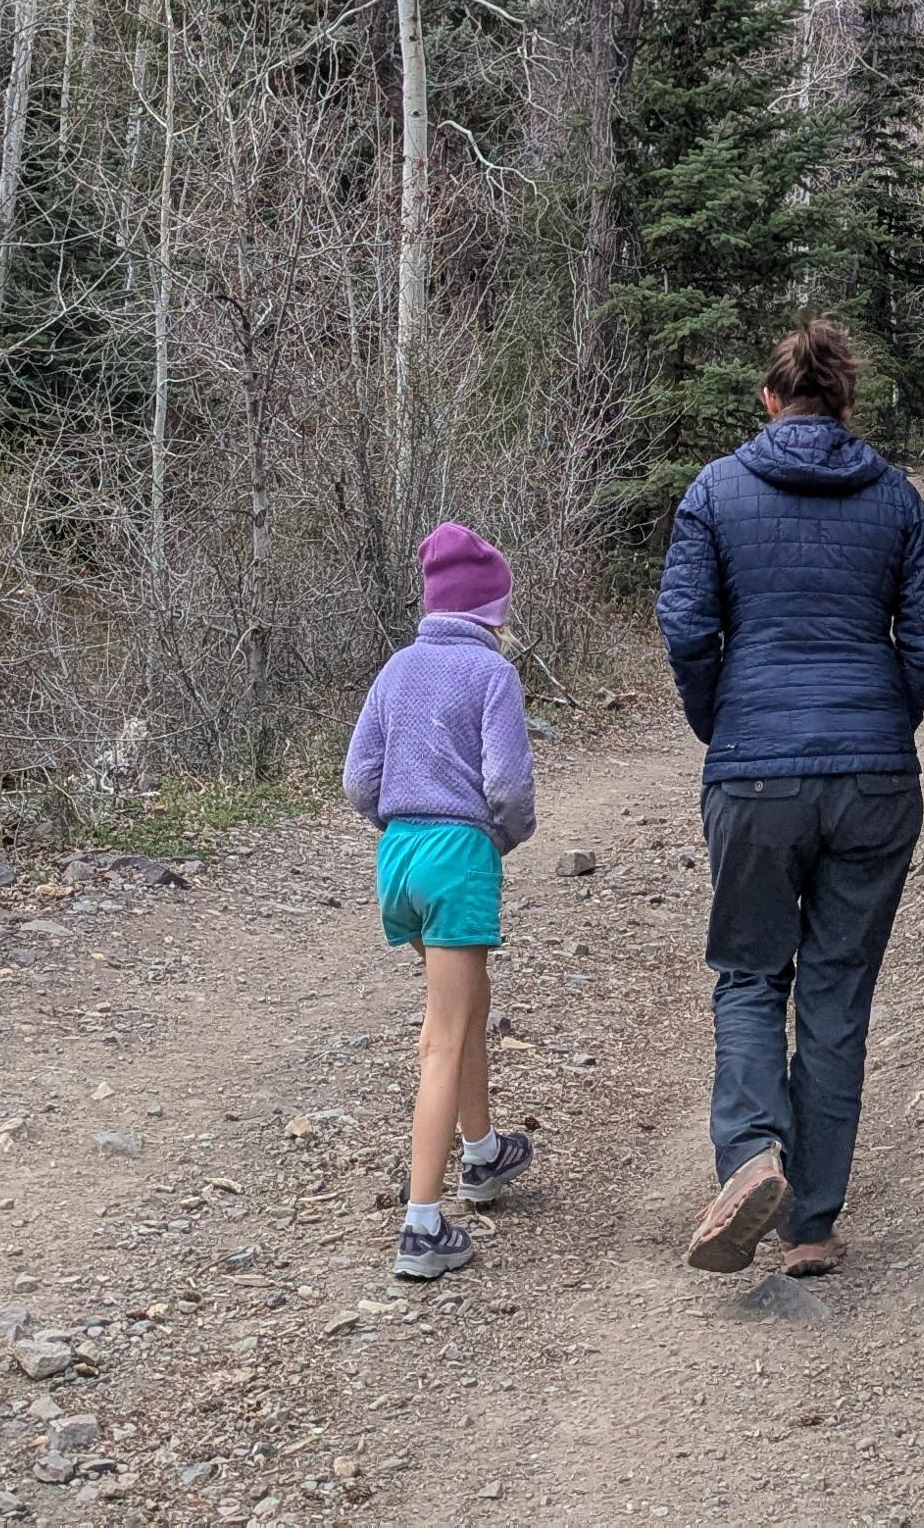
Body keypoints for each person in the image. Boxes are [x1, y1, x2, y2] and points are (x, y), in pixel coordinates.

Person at [654, 316, 924, 1278]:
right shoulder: (895, 498)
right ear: (846, 403)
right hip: (873, 778)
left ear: (769, 400)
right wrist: (883, 717)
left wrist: (723, 722)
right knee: (837, 989)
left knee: (750, 973)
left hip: (754, 772)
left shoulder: (715, 489)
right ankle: (812, 1223)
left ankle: (750, 1158)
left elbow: (688, 628)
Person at [341, 522, 540, 1280]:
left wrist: (400, 825)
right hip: (459, 854)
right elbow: (509, 788)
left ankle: (485, 1153)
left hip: (399, 857)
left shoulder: (398, 668)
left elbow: (360, 779)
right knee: (443, 1039)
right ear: (492, 607)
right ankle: (423, 1226)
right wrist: (499, 840)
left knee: (469, 1007)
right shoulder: (492, 677)